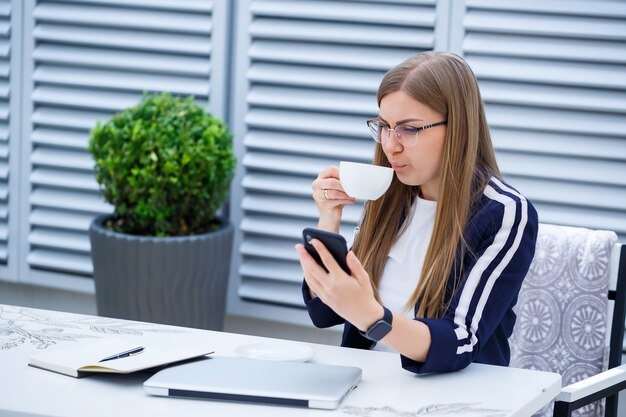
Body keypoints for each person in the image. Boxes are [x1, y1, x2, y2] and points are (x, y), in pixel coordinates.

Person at [294, 51, 538, 374]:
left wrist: (374, 318)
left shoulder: (503, 213)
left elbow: (461, 340)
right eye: (384, 127)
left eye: (408, 130)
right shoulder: (388, 196)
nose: (390, 146)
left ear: (458, 129)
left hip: (456, 397)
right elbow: (324, 313)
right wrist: (329, 218)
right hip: (365, 388)